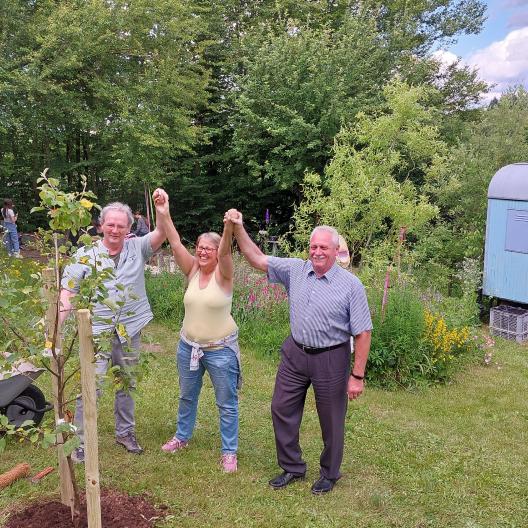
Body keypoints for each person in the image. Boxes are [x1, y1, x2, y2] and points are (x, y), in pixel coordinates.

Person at [225, 210, 372, 494]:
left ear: (335, 250)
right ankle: (292, 466)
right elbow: (256, 259)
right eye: (313, 246)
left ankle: (329, 472)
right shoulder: (295, 269)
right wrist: (239, 227)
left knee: (331, 418)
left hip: (331, 357)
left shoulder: (351, 285)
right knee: (281, 407)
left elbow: (363, 332)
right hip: (295, 353)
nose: (317, 252)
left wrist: (357, 375)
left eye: (323, 247)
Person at [59, 193, 168, 463]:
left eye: (121, 225)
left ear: (129, 228)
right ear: (101, 226)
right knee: (90, 385)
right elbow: (67, 293)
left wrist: (162, 210)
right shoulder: (85, 254)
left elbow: (163, 233)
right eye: (110, 224)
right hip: (96, 331)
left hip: (130, 329)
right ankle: (80, 441)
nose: (115, 230)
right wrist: (56, 332)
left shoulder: (138, 248)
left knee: (127, 383)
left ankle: (125, 433)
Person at [156, 190, 241, 473]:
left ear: (217, 253)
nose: (203, 251)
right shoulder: (192, 270)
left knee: (226, 403)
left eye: (209, 248)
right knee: (186, 395)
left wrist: (228, 227)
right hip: (188, 347)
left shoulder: (224, 274)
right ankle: (182, 436)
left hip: (220, 350)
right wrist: (164, 212)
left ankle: (229, 452)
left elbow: (227, 251)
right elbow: (175, 241)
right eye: (200, 247)